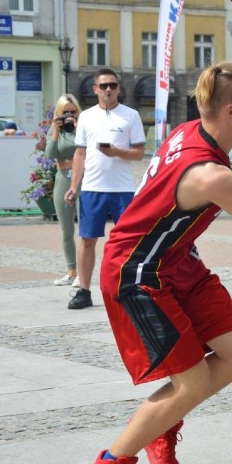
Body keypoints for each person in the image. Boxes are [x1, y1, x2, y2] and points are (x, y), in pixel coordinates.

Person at [87, 61, 232, 464]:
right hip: (137, 272)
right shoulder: (209, 176)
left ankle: (161, 426)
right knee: (193, 383)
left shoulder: (189, 133)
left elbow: (198, 176)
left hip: (176, 262)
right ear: (230, 112)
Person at [64, 68, 146, 310]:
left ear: (119, 88)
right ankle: (84, 290)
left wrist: (117, 152)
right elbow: (80, 153)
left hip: (122, 189)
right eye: (104, 86)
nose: (108, 89)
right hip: (92, 188)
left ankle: (127, 288)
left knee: (127, 242)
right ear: (95, 90)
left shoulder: (130, 116)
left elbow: (139, 152)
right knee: (87, 239)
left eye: (113, 85)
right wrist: (73, 186)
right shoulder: (87, 117)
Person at [46, 95, 82, 287]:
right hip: (62, 178)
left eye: (72, 112)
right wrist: (55, 131)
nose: (69, 115)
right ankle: (71, 271)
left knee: (85, 227)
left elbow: (89, 149)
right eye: (64, 112)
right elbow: (49, 155)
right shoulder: (55, 130)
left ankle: (82, 274)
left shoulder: (83, 127)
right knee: (66, 230)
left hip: (82, 178)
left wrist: (77, 127)